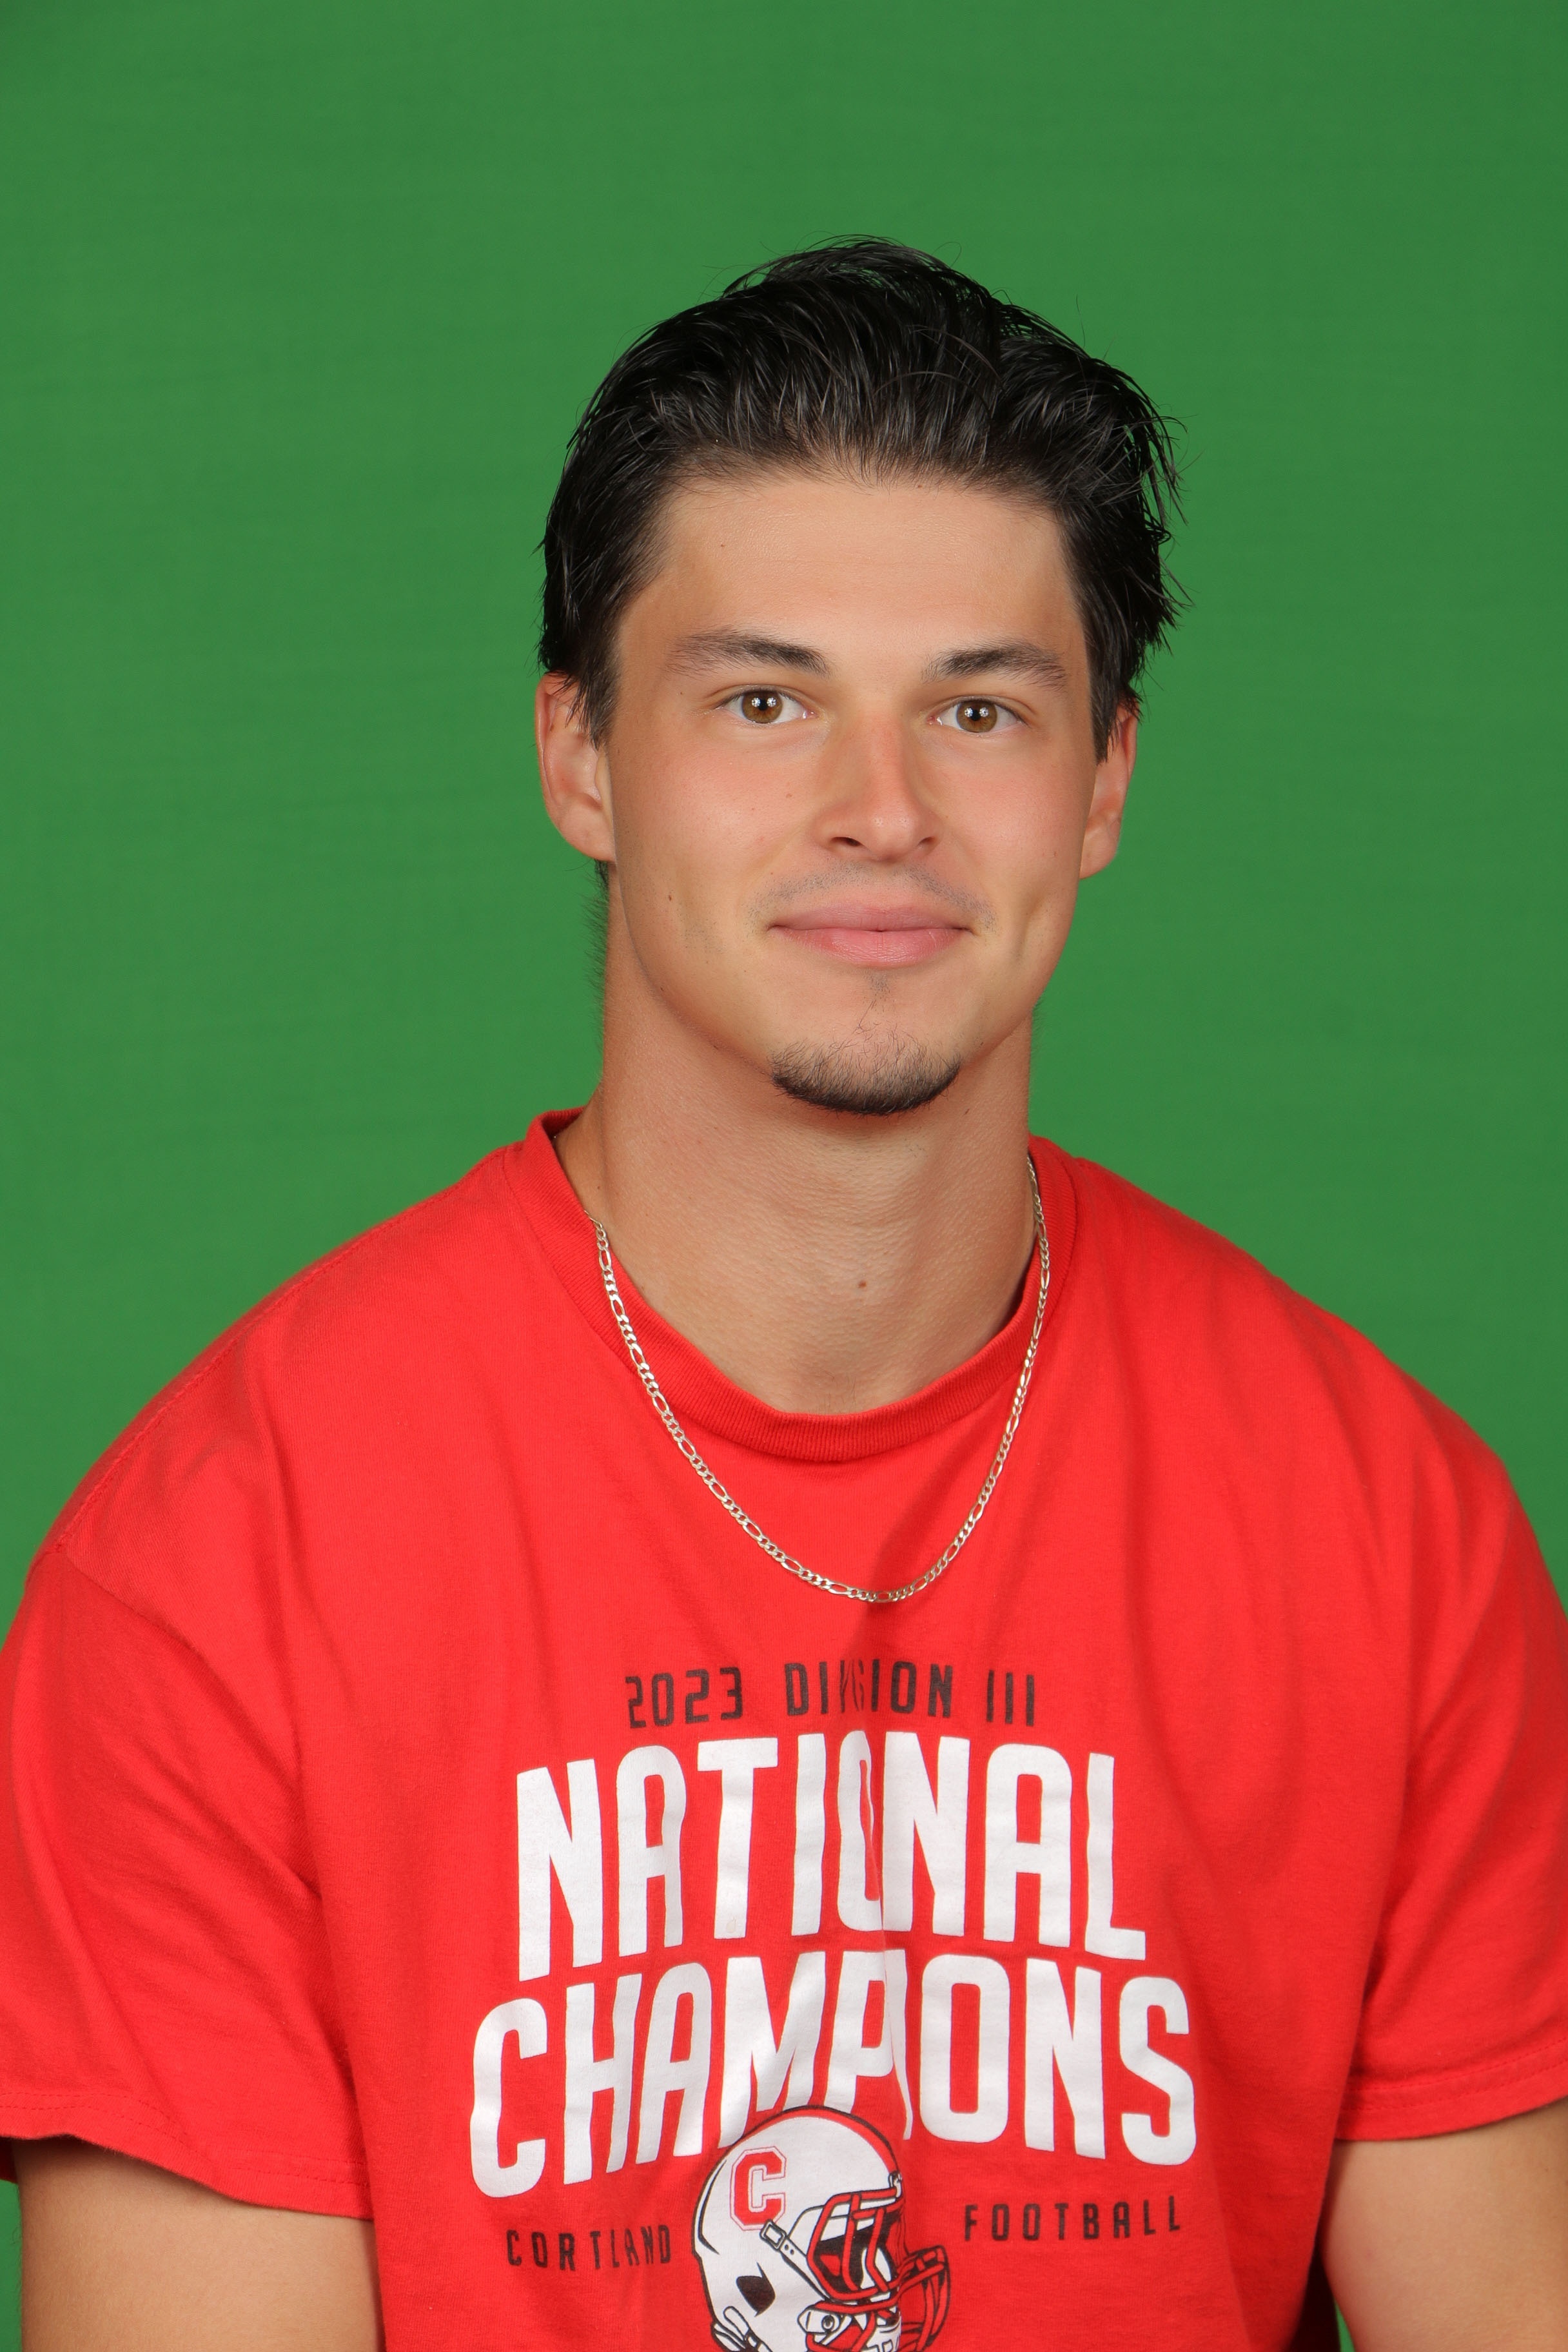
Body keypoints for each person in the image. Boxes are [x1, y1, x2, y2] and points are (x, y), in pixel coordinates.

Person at [2, 241, 1565, 2352]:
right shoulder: (223, 1563)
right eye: (765, 702)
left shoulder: (1387, 1532)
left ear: (1103, 782)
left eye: (981, 711)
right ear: (579, 758)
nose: (881, 813)